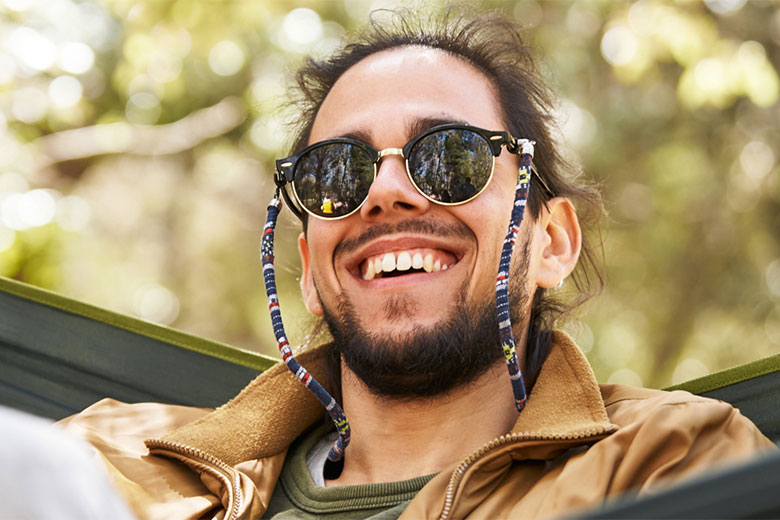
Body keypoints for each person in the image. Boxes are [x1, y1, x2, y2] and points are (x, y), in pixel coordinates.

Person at [59, 7, 775, 520]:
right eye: (338, 172)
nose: (386, 192)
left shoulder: (667, 461)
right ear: (309, 268)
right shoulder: (107, 458)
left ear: (551, 241)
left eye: (451, 156)